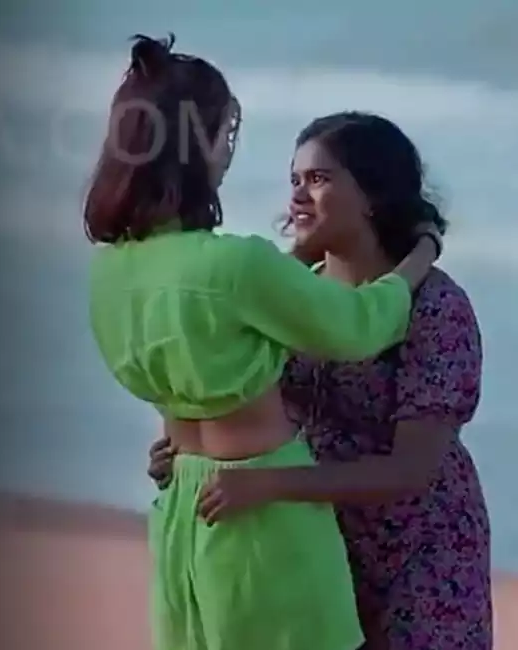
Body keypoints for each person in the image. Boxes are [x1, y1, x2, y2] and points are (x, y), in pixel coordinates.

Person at [85, 35, 445, 650]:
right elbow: (359, 326)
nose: (228, 152)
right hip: (263, 520)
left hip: (182, 513)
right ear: (195, 144)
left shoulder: (112, 271)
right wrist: (421, 254)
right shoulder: (236, 266)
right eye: (225, 134)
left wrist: (296, 258)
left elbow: (210, 332)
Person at [147, 111, 491, 650]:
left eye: (319, 178)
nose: (298, 195)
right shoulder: (291, 294)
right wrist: (184, 449)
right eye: (294, 180)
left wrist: (269, 485)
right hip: (315, 543)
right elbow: (225, 386)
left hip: (419, 557)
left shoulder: (435, 307)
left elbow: (412, 470)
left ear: (372, 194)